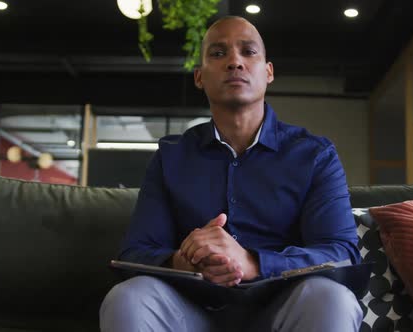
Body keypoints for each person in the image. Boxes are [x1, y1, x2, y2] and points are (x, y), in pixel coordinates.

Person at [100, 15, 363, 332]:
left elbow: (341, 253)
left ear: (268, 72)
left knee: (333, 298)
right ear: (199, 77)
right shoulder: (171, 157)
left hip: (281, 310)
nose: (235, 62)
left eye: (248, 52)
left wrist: (253, 262)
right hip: (191, 311)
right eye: (218, 53)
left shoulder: (315, 155)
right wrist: (186, 261)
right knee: (127, 297)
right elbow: (135, 253)